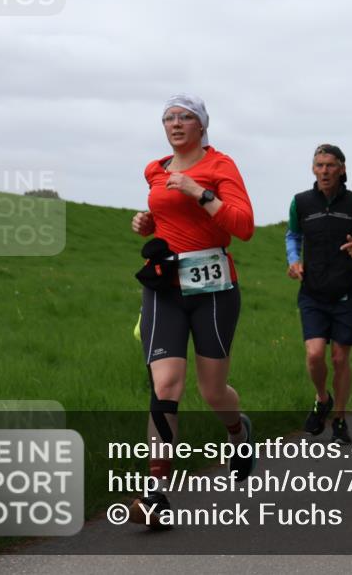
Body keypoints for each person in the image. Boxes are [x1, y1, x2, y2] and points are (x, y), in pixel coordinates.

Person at [130, 94, 256, 527]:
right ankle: (156, 491)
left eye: (185, 117)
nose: (176, 123)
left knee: (213, 391)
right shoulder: (155, 169)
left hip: (215, 289)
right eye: (168, 117)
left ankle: (237, 432)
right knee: (165, 385)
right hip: (165, 285)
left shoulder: (220, 167)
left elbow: (243, 227)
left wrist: (199, 192)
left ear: (202, 125)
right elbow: (165, 217)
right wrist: (146, 223)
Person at [286, 144, 352, 445]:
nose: (324, 171)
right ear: (313, 169)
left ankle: (339, 420)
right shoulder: (301, 202)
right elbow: (293, 234)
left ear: (342, 168)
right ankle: (321, 398)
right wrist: (293, 259)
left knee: (340, 359)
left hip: (346, 293)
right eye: (318, 165)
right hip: (312, 291)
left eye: (330, 165)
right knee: (314, 355)